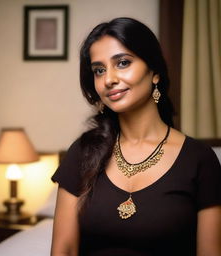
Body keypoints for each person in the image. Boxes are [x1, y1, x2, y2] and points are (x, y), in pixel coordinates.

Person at [51, 17, 221, 256]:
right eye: (99, 70)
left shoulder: (199, 160)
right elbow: (63, 250)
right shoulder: (84, 151)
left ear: (155, 73)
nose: (109, 79)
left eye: (122, 63)